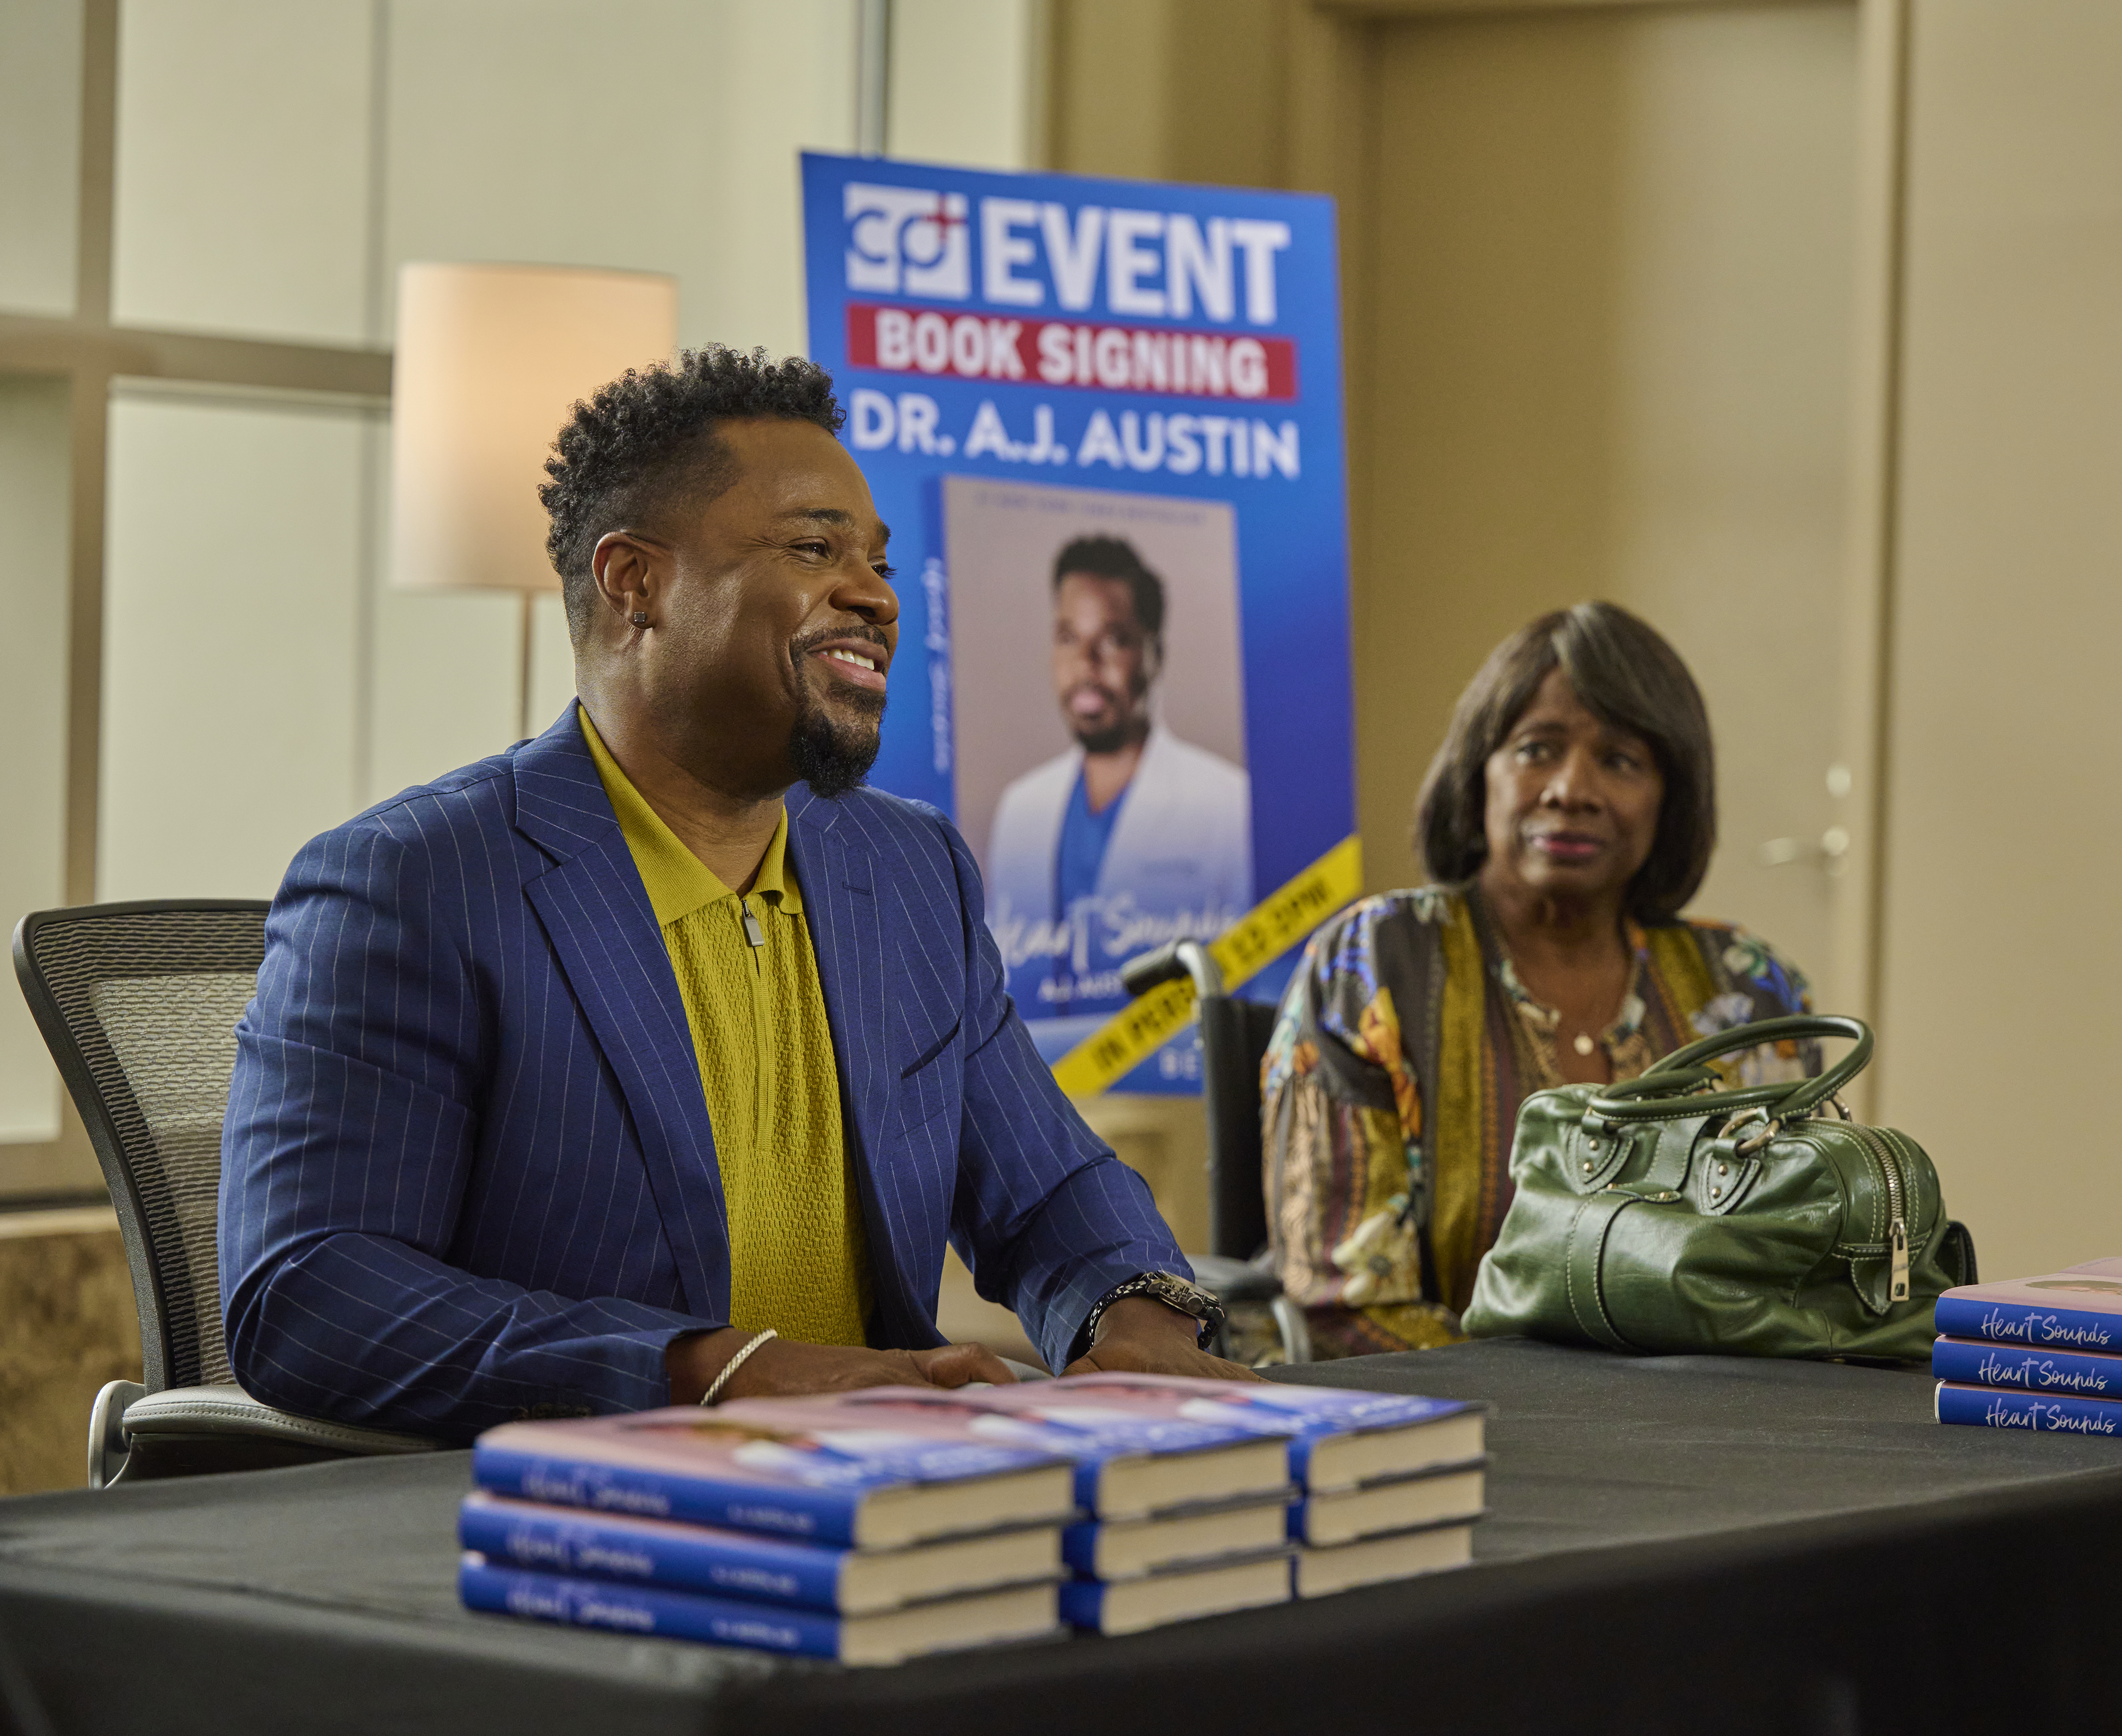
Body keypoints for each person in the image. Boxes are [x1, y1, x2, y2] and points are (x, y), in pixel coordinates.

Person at [219, 348, 1252, 1443]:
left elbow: (1048, 1190)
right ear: (635, 583)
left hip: (884, 1505)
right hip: (572, 1519)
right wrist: (718, 1369)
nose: (877, 595)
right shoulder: (419, 880)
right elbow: (311, 1291)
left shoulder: (908, 871)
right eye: (815, 547)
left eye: (879, 561)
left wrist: (1136, 1311)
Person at [1262, 602, 1818, 1358]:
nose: (1570, 788)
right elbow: (1346, 1308)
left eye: (1620, 759)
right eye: (1536, 749)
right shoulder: (1376, 964)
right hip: (1447, 1423)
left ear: (1671, 797)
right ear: (1478, 771)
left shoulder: (1752, 991)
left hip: (1711, 1432)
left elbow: (1798, 1275)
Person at [984, 536, 1251, 1021]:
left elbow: (1245, 988)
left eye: (1113, 639)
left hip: (1172, 1086)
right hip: (1046, 1082)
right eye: (1068, 637)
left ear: (1155, 654)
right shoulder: (1021, 810)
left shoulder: (1228, 804)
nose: (1086, 664)